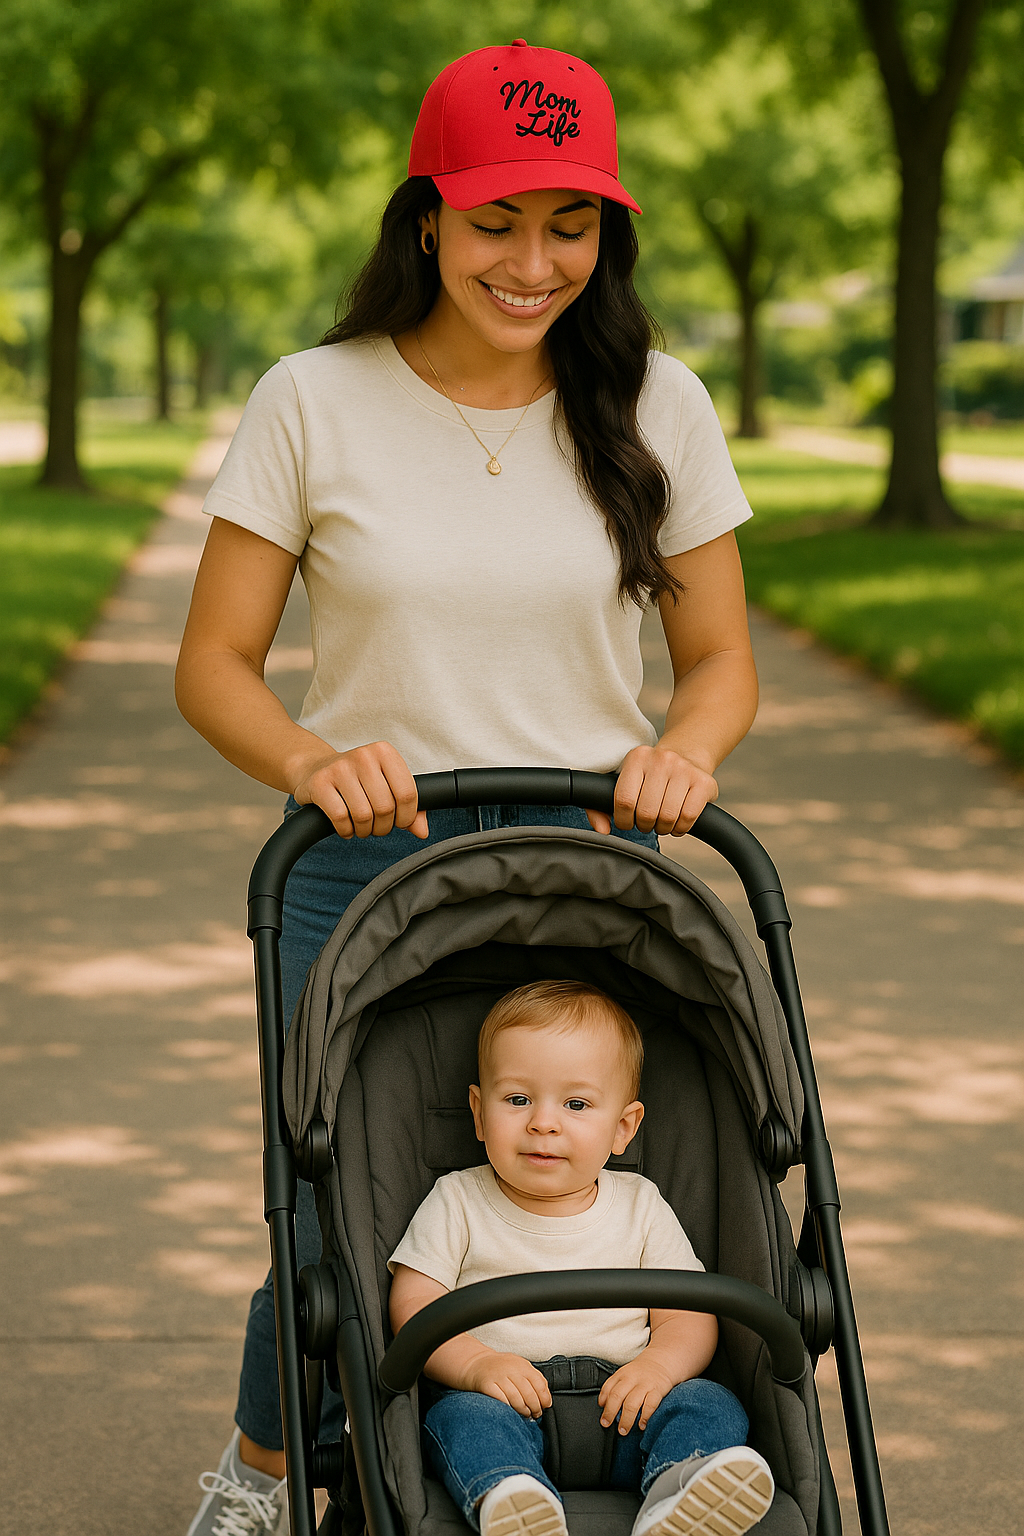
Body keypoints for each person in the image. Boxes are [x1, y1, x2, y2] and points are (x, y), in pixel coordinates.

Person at [175, 36, 759, 1536]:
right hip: (362, 860)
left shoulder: (657, 402)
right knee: (337, 1208)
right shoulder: (313, 398)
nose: (532, 260)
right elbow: (218, 664)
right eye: (496, 219)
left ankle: (609, 1455)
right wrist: (314, 758)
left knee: (569, 1178)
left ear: (606, 234)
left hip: (584, 863)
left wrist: (683, 752)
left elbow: (720, 659)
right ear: (425, 215)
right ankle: (258, 1475)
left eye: (571, 223)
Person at [389, 980, 774, 1536]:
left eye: (575, 1104)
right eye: (518, 1099)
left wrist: (661, 1366)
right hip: (508, 1404)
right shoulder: (457, 1200)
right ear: (478, 1112)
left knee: (710, 1402)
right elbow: (416, 1302)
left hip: (631, 1407)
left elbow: (688, 1311)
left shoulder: (641, 1204)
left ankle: (676, 1491)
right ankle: (511, 1497)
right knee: (457, 1419)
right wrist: (476, 1364)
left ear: (623, 1128)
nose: (544, 1122)